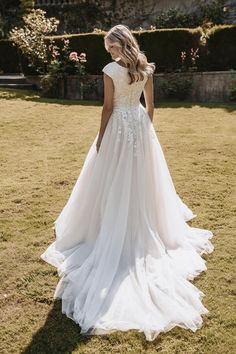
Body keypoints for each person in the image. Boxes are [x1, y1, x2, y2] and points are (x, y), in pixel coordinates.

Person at [40, 24, 214, 342]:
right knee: (140, 180)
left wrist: (101, 141)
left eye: (111, 47)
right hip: (138, 125)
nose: (110, 53)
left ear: (119, 44)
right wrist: (146, 132)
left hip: (119, 125)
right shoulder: (145, 67)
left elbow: (108, 107)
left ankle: (110, 226)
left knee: (110, 178)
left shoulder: (110, 70)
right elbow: (151, 106)